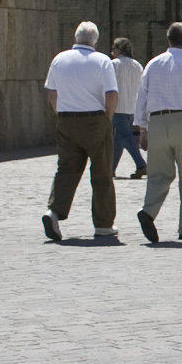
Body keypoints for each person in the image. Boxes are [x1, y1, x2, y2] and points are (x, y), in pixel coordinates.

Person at [131, 21, 182, 244]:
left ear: (168, 39)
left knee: (158, 174)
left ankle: (148, 211)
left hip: (157, 121)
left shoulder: (153, 64)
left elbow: (142, 97)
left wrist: (142, 128)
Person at [41, 23, 119, 243]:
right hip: (95, 119)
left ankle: (53, 212)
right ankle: (103, 224)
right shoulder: (102, 60)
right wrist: (107, 118)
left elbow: (52, 94)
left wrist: (61, 114)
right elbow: (111, 95)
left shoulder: (59, 59)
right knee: (102, 172)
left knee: (66, 170)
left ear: (75, 38)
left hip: (66, 120)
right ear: (95, 40)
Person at [107, 32, 145, 181]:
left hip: (118, 106)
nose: (112, 52)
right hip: (132, 106)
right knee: (120, 138)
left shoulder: (114, 65)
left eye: (114, 49)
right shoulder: (137, 65)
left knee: (125, 136)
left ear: (119, 49)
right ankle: (110, 168)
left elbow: (109, 85)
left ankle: (141, 163)